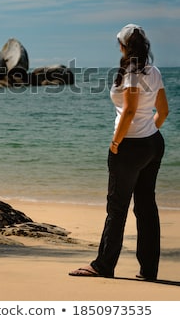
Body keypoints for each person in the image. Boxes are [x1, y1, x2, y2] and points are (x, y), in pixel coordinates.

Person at [69, 24, 169, 280]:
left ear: (124, 46)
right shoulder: (154, 71)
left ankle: (103, 265)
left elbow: (130, 110)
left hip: (130, 147)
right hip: (153, 144)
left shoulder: (133, 73)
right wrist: (148, 132)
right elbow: (163, 112)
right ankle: (149, 270)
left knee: (118, 206)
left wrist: (116, 143)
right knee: (146, 207)